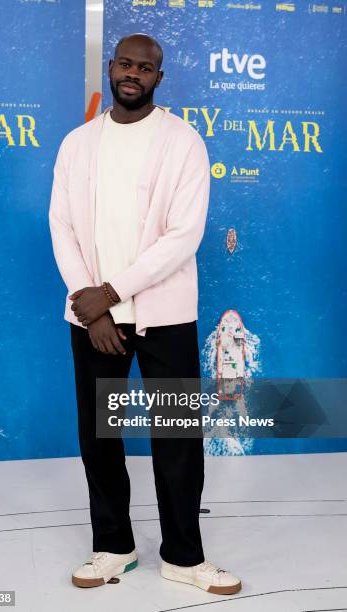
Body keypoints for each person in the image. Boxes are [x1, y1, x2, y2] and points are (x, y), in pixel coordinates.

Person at [49, 32, 242, 596]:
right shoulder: (77, 143)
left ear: (160, 77)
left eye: (146, 67)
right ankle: (113, 546)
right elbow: (62, 227)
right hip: (92, 318)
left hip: (167, 315)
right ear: (111, 69)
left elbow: (183, 236)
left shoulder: (183, 142)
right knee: (99, 437)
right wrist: (93, 304)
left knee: (177, 436)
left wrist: (110, 292)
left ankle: (184, 555)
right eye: (126, 64)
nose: (134, 73)